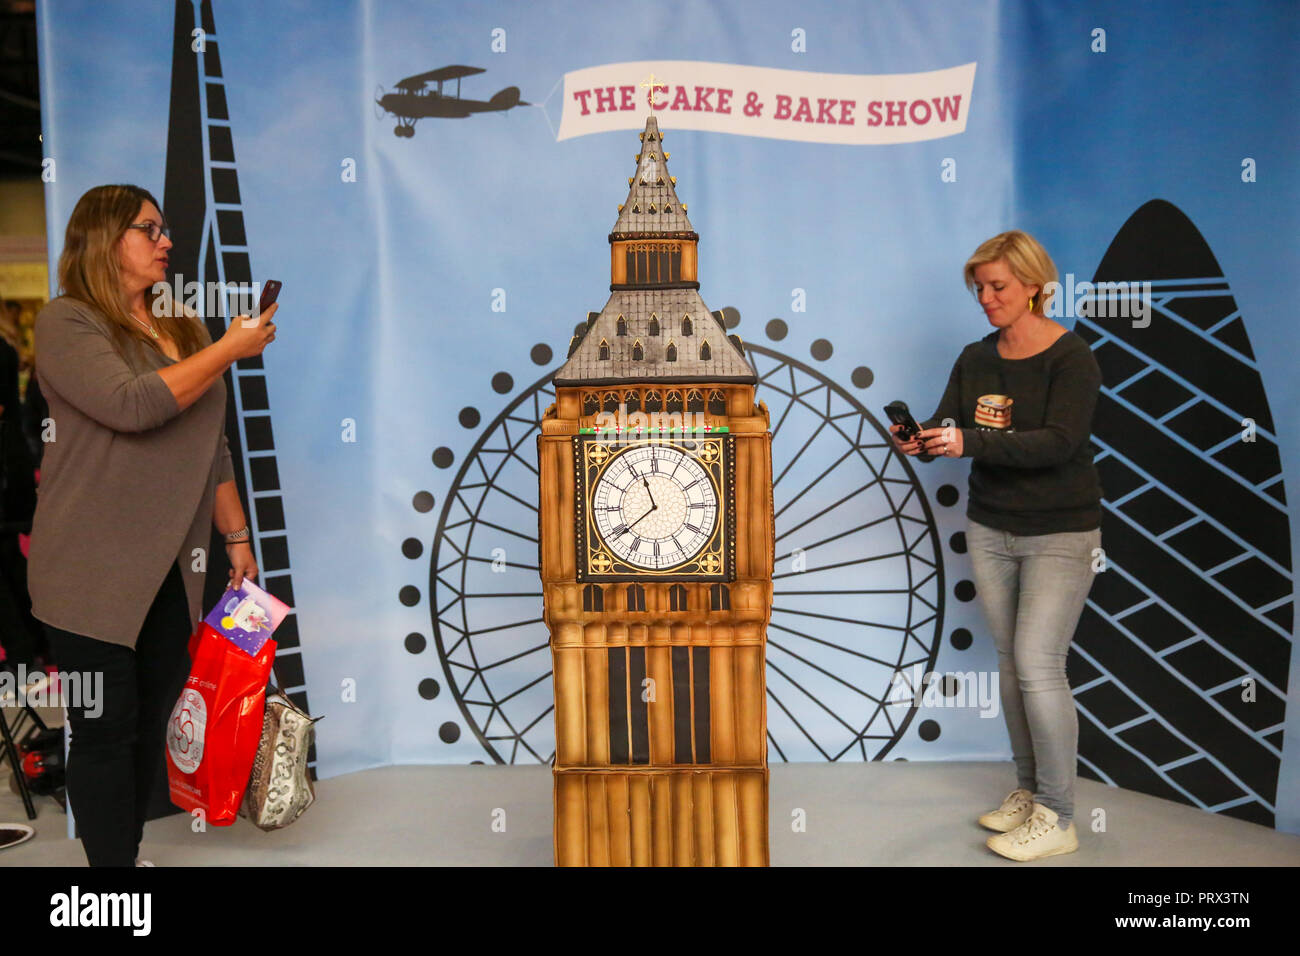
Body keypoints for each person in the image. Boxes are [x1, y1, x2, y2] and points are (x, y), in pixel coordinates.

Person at [28, 184, 277, 866]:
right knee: (105, 727)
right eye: (149, 229)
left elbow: (213, 443)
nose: (165, 241)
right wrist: (228, 350)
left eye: (165, 229)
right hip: (88, 566)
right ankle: (112, 886)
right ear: (105, 241)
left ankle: (124, 855)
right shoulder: (67, 322)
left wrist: (236, 538)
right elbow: (131, 406)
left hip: (172, 564)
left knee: (146, 723)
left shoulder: (184, 328)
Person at [891, 230, 1102, 861]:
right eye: (979, 287)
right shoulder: (975, 355)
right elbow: (952, 423)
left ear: (1035, 286)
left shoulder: (1072, 359)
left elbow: (1057, 444)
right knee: (1013, 666)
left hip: (1061, 531)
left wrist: (967, 445)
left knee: (1039, 667)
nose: (986, 298)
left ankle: (1061, 816)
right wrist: (924, 437)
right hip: (989, 527)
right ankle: (1030, 791)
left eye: (998, 287)